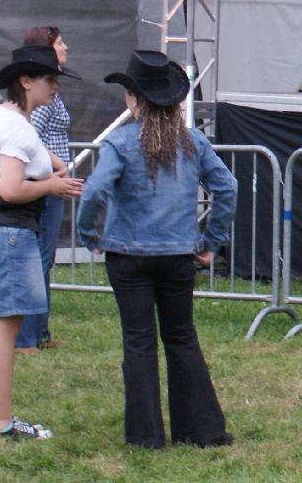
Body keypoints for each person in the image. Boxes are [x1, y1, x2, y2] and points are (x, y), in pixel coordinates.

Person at [76, 50, 235, 450]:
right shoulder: (193, 141)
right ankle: (202, 429)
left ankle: (146, 436)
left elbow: (94, 190)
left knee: (139, 341)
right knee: (182, 337)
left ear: (133, 97)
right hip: (179, 254)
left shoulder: (119, 142)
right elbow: (227, 188)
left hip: (128, 255)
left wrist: (87, 234)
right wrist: (211, 241)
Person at [0, 44, 83, 439]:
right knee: (3, 328)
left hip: (3, 230)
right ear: (25, 81)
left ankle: (1, 420)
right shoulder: (16, 126)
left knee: (3, 325)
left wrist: (50, 163)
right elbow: (11, 188)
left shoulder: (12, 121)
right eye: (50, 79)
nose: (55, 86)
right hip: (7, 231)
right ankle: (1, 423)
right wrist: (52, 185)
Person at [16, 26, 70, 354]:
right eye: (60, 43)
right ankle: (26, 337)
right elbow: (30, 135)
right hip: (44, 182)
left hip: (51, 180)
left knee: (44, 259)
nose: (66, 48)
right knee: (38, 258)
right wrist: (57, 165)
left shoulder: (51, 92)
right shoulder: (41, 98)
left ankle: (40, 332)